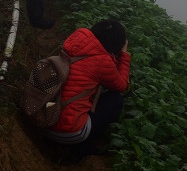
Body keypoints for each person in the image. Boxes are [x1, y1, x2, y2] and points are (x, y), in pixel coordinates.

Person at [43, 19, 131, 159]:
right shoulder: (103, 62)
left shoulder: (75, 40)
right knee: (115, 100)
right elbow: (121, 85)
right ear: (116, 46)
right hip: (69, 132)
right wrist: (124, 56)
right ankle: (81, 148)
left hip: (43, 121)